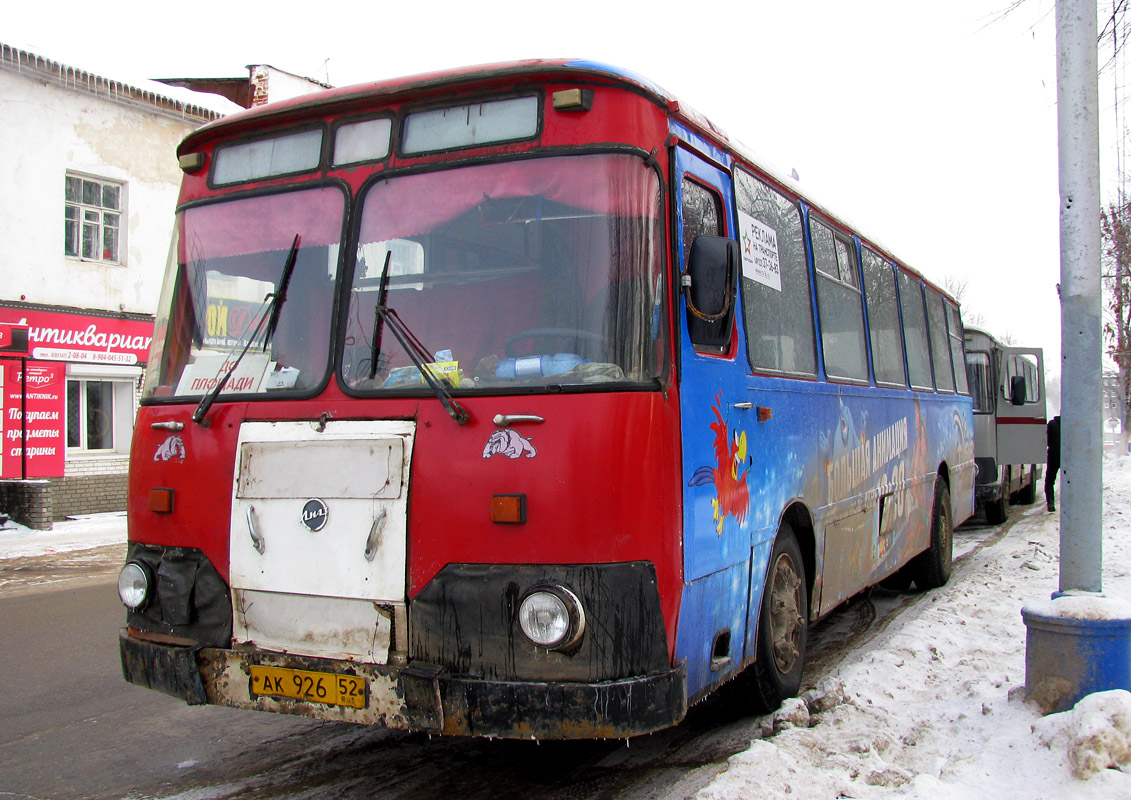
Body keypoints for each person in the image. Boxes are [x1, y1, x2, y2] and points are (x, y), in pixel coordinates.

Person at [1045, 415, 1061, 512]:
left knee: (1050, 481)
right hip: (1068, 456)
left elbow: (1047, 439)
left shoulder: (1052, 424)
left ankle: (1050, 502)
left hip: (1053, 455)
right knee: (1070, 481)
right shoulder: (1071, 424)